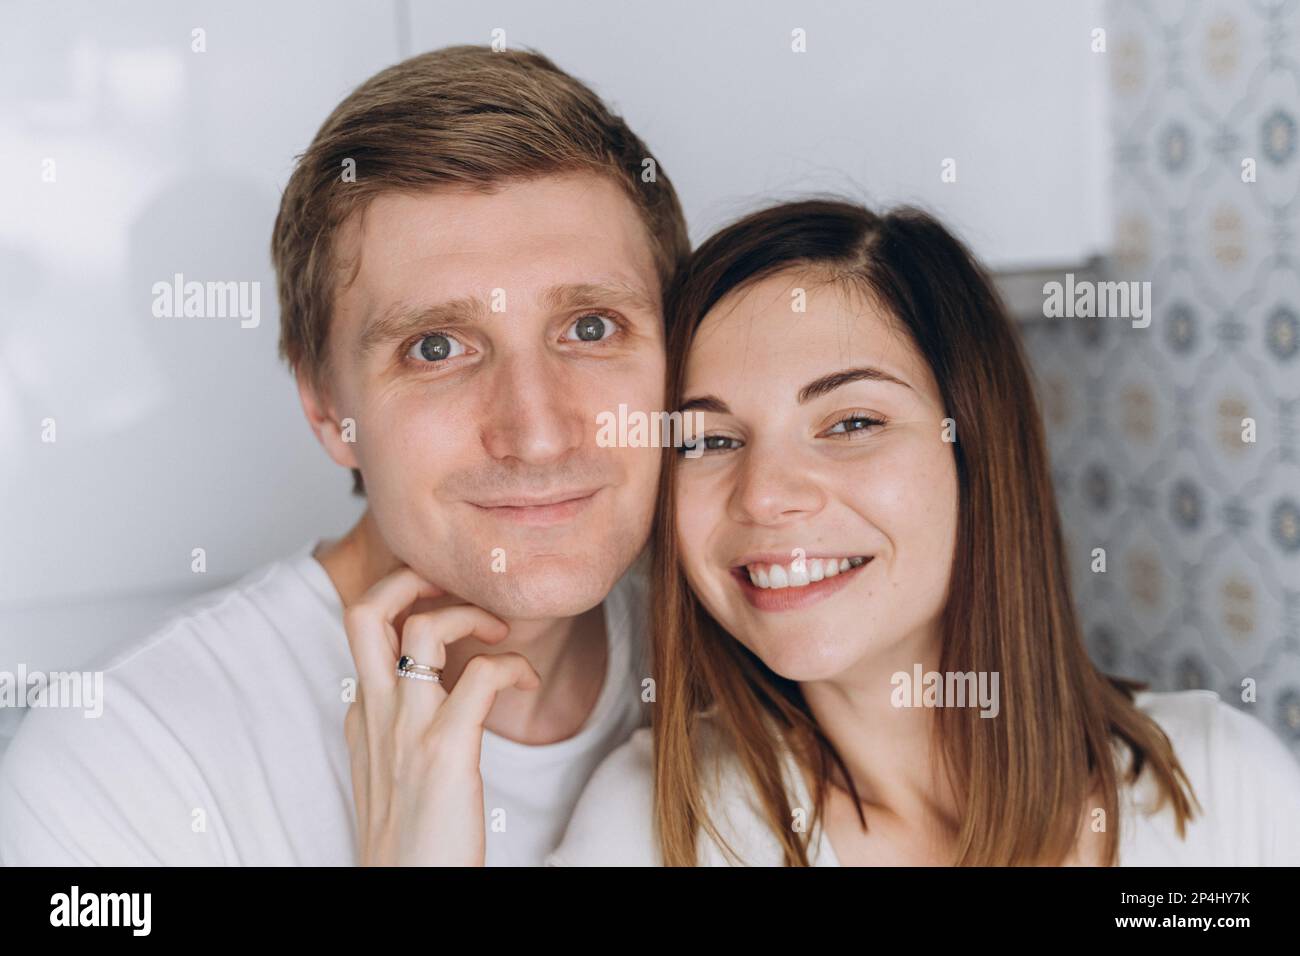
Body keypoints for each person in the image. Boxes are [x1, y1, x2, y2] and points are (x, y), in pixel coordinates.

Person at [0, 45, 688, 866]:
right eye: (437, 347)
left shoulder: (757, 664)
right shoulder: (122, 766)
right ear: (328, 409)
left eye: (590, 328)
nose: (537, 432)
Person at [550, 199, 1300, 866]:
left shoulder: (1228, 791)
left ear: (977, 453)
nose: (766, 496)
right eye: (708, 441)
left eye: (851, 423)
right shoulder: (652, 830)